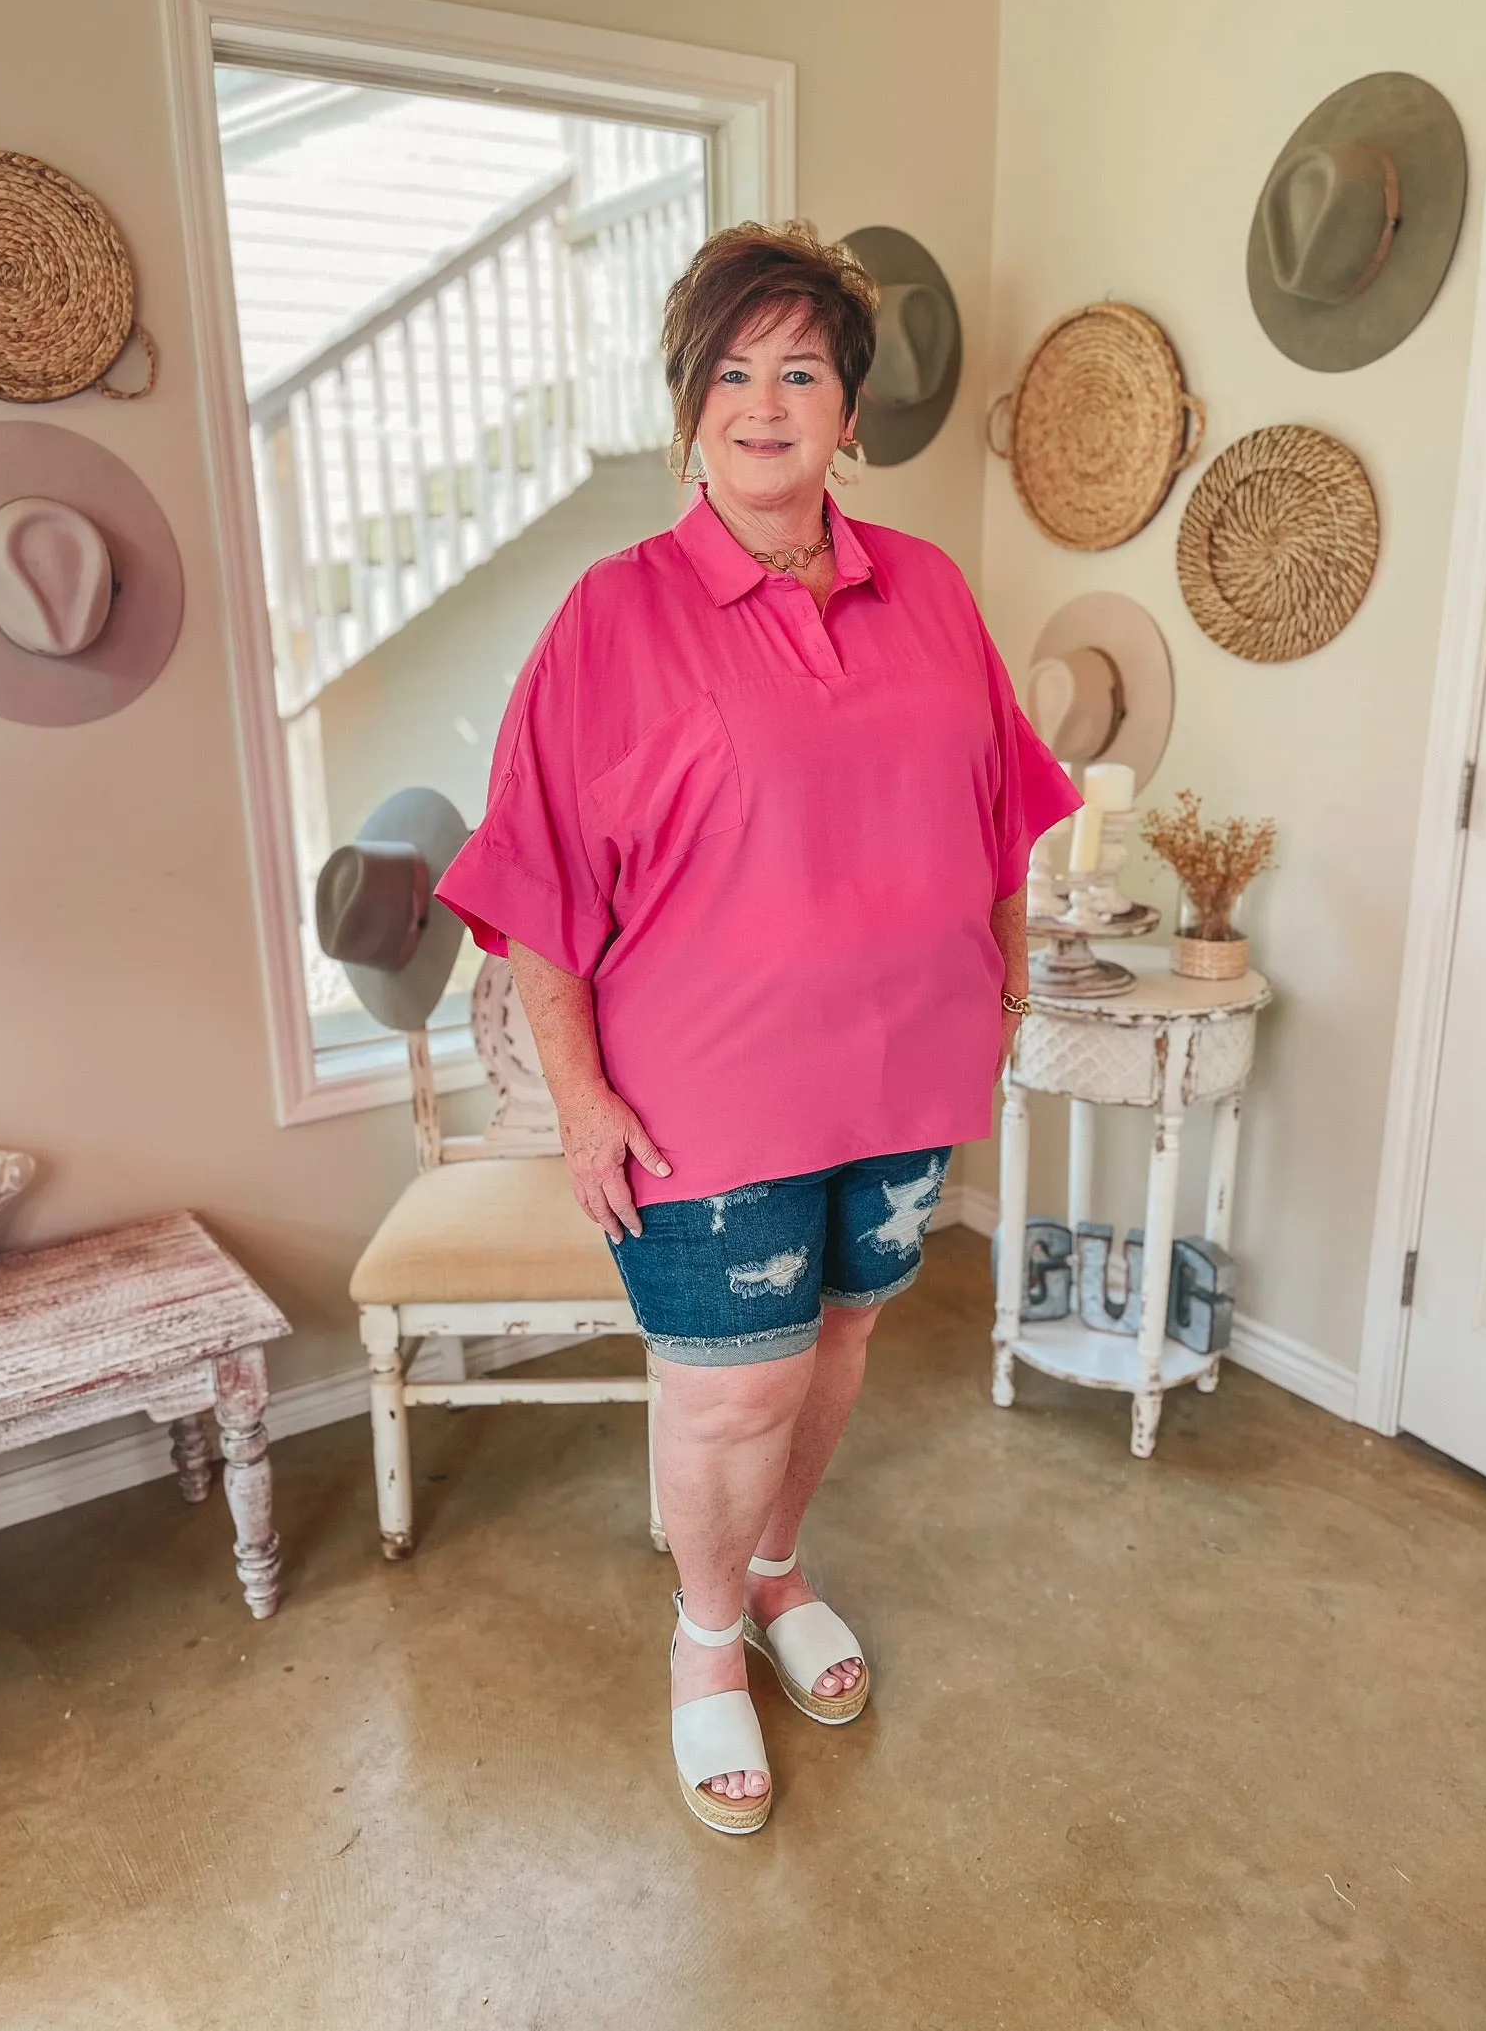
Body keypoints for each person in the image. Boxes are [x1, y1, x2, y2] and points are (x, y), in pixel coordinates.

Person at [435, 221, 1080, 1835]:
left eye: (803, 368)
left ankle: (779, 1568)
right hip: (703, 1102)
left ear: (848, 410)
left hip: (902, 1076)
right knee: (730, 1389)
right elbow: (534, 886)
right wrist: (582, 1105)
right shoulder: (610, 617)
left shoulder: (928, 589)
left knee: (841, 1345)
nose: (768, 400)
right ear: (688, 406)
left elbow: (1001, 816)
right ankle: (707, 1639)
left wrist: (995, 994)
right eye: (733, 370)